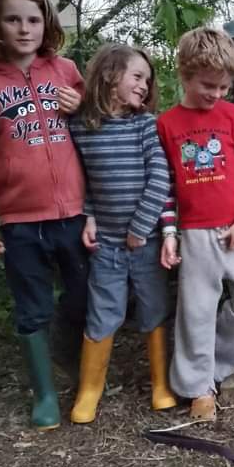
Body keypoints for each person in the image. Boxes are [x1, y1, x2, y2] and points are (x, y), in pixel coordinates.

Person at [0, 0, 88, 430]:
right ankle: (45, 394)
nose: (25, 28)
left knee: (84, 295)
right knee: (33, 307)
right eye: (13, 19)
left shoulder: (66, 72)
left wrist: (80, 104)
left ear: (46, 23)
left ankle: (80, 371)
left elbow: (97, 122)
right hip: (20, 222)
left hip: (73, 214)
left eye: (33, 19)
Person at [157, 27, 234, 421]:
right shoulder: (167, 125)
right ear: (185, 75)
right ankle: (199, 388)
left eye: (224, 87)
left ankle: (213, 368)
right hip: (196, 236)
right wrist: (169, 233)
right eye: (208, 86)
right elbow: (165, 186)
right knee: (197, 312)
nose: (217, 94)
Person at [69, 44, 179, 424]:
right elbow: (84, 179)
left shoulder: (144, 125)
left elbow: (160, 178)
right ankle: (90, 390)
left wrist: (140, 227)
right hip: (107, 247)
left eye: (148, 81)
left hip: (145, 243)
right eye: (137, 76)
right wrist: (89, 215)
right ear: (109, 75)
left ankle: (160, 384)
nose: (144, 87)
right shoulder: (83, 127)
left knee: (153, 308)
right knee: (102, 312)